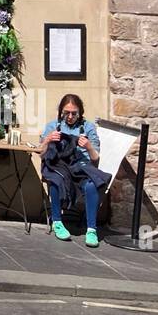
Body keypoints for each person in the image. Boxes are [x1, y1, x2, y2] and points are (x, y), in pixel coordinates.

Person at [36, 93, 105, 246]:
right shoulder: (52, 126)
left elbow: (95, 158)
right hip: (59, 166)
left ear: (80, 112)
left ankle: (91, 230)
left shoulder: (88, 127)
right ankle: (57, 222)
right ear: (61, 111)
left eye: (74, 113)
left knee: (91, 184)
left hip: (80, 168)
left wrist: (88, 146)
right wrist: (47, 140)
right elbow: (41, 153)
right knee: (55, 178)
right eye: (67, 113)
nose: (70, 116)